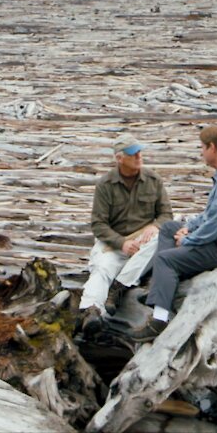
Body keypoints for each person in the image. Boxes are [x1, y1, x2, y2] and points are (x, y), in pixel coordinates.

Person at [127, 125, 217, 341]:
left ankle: (160, 318)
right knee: (169, 228)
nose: (201, 152)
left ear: (212, 148)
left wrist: (189, 239)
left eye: (203, 148)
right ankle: (164, 284)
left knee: (166, 260)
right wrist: (190, 226)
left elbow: (216, 224)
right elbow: (210, 214)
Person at [78, 133, 173, 336]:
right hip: (113, 243)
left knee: (159, 240)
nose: (139, 156)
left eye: (139, 152)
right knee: (102, 268)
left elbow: (166, 215)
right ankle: (91, 310)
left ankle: (120, 286)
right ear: (119, 158)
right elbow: (98, 224)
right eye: (132, 153)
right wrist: (121, 243)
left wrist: (155, 226)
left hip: (144, 244)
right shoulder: (105, 185)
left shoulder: (154, 181)